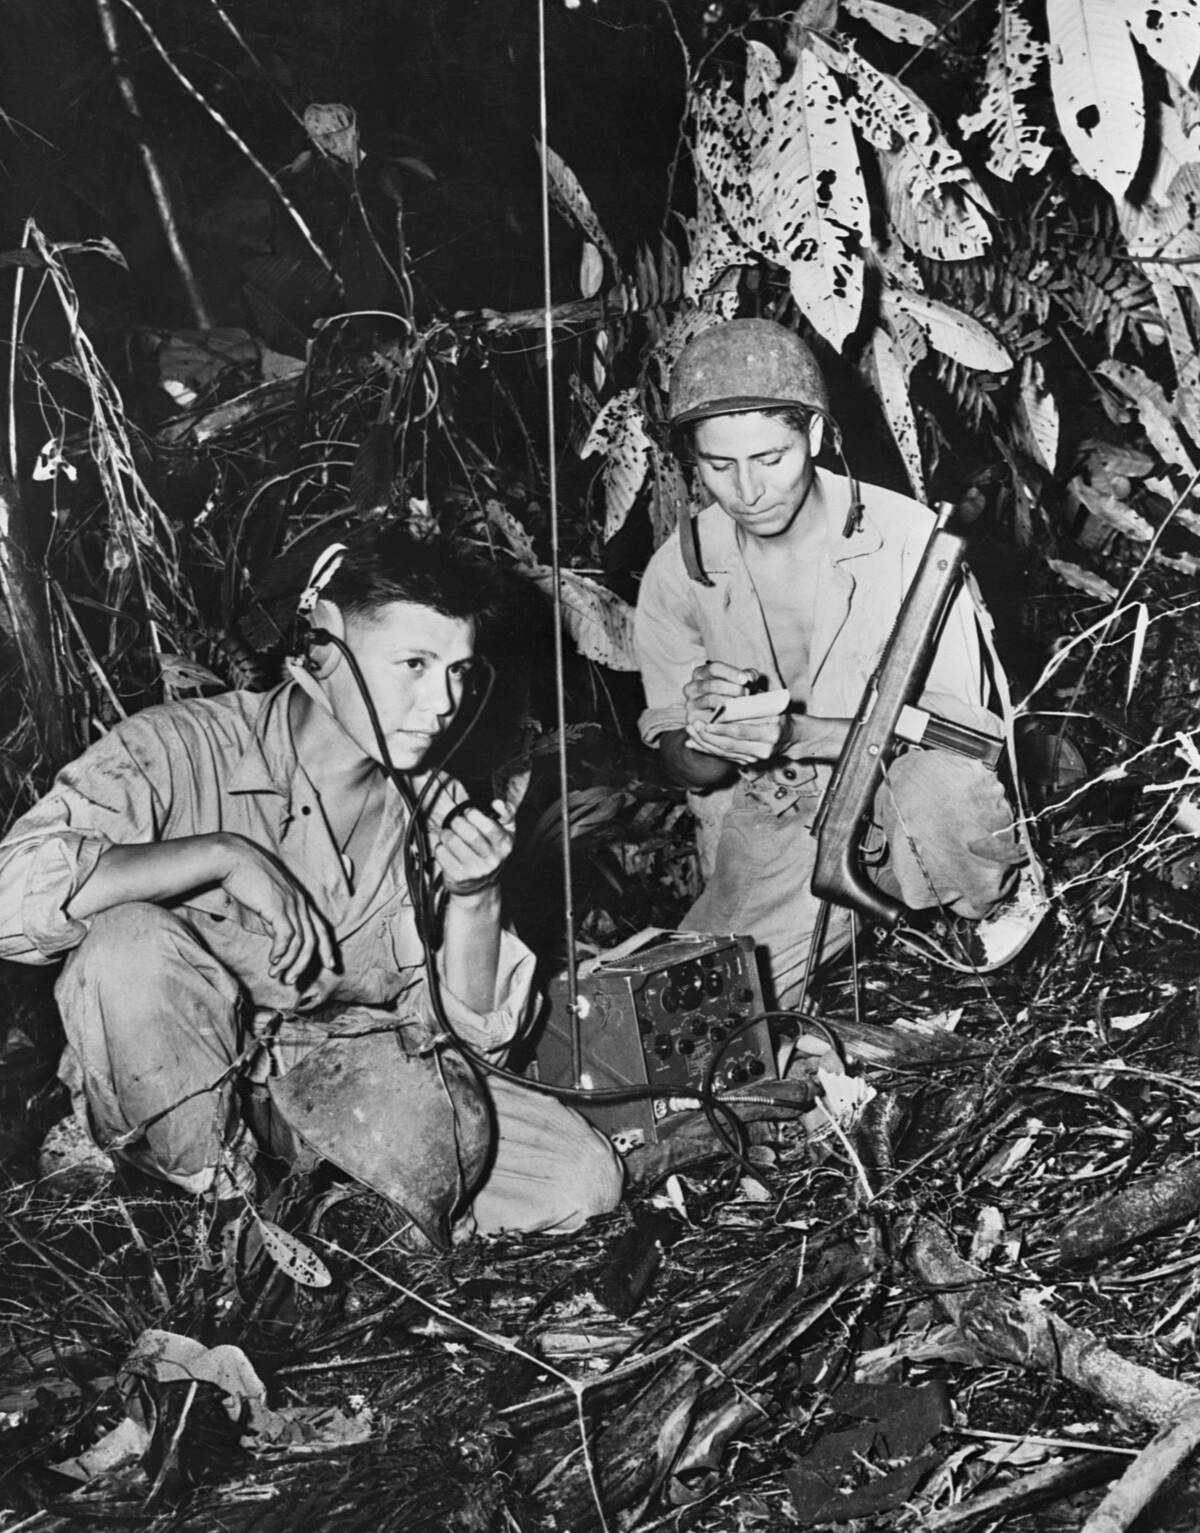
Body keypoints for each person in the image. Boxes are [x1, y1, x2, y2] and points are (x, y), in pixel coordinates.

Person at [0, 524, 622, 1242]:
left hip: (342, 1080)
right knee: (124, 940)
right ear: (320, 651)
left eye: (458, 669)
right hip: (176, 1083)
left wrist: (477, 897)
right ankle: (222, 1220)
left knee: (578, 1181)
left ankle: (335, 1219)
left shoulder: (438, 810)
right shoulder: (178, 750)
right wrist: (223, 854)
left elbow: (473, 1051)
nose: (445, 700)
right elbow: (12, 895)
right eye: (414, 663)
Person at [634, 318, 1028, 1009]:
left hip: (904, 798)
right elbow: (683, 765)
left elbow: (970, 738)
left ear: (814, 436)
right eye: (718, 467)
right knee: (684, 1013)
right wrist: (706, 734)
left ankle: (980, 912)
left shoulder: (910, 542)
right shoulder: (680, 571)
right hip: (778, 822)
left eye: (771, 458)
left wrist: (796, 733)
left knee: (945, 796)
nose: (748, 490)